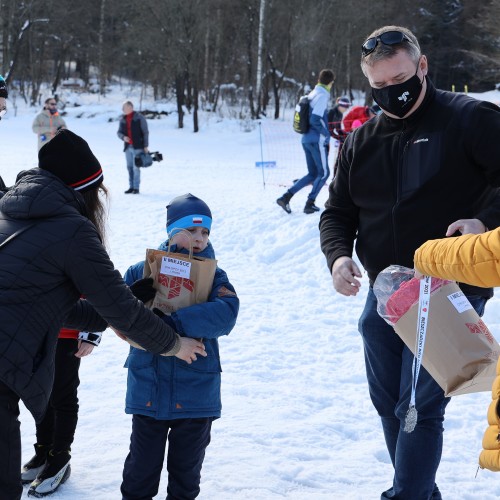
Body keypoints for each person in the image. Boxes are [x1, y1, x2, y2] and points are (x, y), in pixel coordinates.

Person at [319, 25, 500, 500]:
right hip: (386, 291)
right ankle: (417, 491)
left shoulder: (472, 118)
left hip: (450, 287)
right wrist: (338, 257)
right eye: (378, 87)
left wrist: (484, 220)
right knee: (388, 403)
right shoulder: (362, 141)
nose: (391, 93)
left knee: (419, 404)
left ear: (422, 67)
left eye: (399, 79)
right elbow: (337, 211)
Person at [0, 129, 206, 500]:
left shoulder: (11, 212)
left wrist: (123, 298)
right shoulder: (71, 228)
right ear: (85, 189)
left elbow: (53, 305)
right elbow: (122, 314)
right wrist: (173, 344)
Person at [120, 193, 239, 500]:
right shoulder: (141, 270)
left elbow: (226, 314)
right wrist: (131, 299)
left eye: (205, 232)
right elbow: (115, 313)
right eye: (190, 230)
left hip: (196, 391)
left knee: (186, 476)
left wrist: (171, 325)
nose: (198, 239)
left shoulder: (214, 276)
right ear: (171, 232)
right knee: (140, 473)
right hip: (149, 388)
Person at [20, 328, 102, 496]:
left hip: (69, 335)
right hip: (37, 331)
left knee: (62, 396)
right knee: (42, 395)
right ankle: (44, 451)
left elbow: (99, 301)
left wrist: (92, 334)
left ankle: (60, 457)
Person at [277, 68, 335, 215]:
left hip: (306, 139)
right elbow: (315, 118)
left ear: (319, 80)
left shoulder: (312, 93)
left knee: (312, 174)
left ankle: (286, 196)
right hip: (317, 140)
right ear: (331, 82)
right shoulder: (322, 95)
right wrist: (326, 134)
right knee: (324, 174)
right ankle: (310, 203)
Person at [117, 101, 149, 194]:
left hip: (138, 147)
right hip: (127, 147)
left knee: (136, 168)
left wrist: (146, 145)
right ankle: (131, 187)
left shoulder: (140, 118)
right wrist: (123, 137)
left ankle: (136, 188)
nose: (123, 109)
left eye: (124, 107)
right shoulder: (122, 119)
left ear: (130, 107)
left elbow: (145, 132)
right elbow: (119, 133)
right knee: (129, 167)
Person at [327, 96, 351, 166]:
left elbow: (338, 128)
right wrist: (338, 137)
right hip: (323, 136)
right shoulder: (332, 112)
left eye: (348, 107)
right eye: (346, 107)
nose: (346, 109)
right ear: (340, 105)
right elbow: (328, 128)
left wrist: (345, 135)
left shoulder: (340, 113)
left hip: (329, 136)